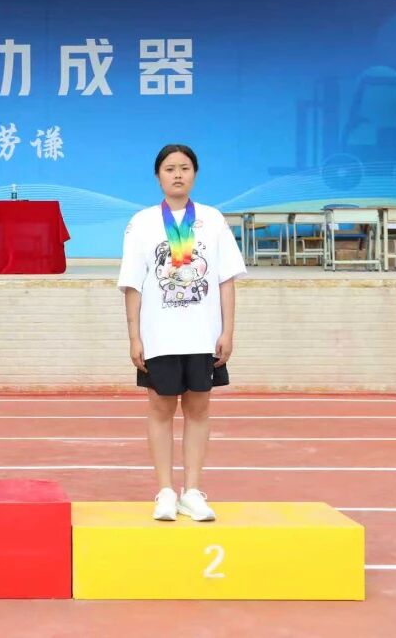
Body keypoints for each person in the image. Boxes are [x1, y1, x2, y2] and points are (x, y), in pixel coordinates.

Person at [118, 144, 246, 522]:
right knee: (160, 409)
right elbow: (133, 284)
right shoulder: (142, 223)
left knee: (198, 409)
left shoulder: (212, 219)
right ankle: (164, 491)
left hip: (202, 335)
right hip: (159, 335)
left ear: (195, 174)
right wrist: (134, 336)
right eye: (170, 168)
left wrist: (227, 330)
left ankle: (192, 491)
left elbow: (225, 280)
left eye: (185, 168)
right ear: (158, 176)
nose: (178, 174)